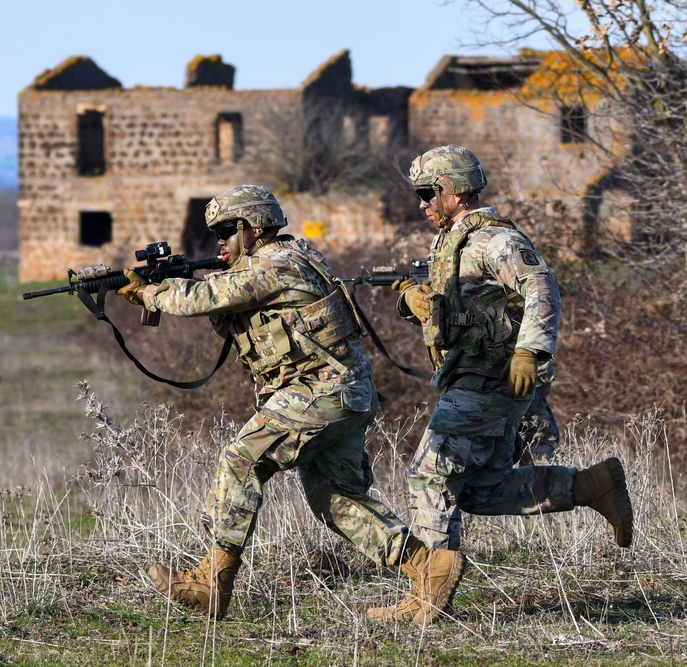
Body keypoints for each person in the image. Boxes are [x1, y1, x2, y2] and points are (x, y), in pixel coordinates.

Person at [116, 185, 460, 623]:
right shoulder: (291, 258)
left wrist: (152, 293)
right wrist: (163, 284)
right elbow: (231, 302)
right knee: (334, 498)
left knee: (243, 459)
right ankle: (429, 569)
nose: (219, 240)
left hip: (323, 391)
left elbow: (204, 298)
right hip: (343, 394)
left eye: (226, 230)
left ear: (254, 228)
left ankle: (211, 582)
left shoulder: (277, 263)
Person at [373, 145, 634, 626]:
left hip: (490, 378)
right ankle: (591, 486)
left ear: (454, 191)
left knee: (430, 476)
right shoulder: (454, 243)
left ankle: (427, 597)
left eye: (428, 193)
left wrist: (529, 351)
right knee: (479, 490)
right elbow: (461, 315)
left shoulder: (493, 241)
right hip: (477, 375)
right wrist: (415, 299)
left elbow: (541, 286)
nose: (422, 204)